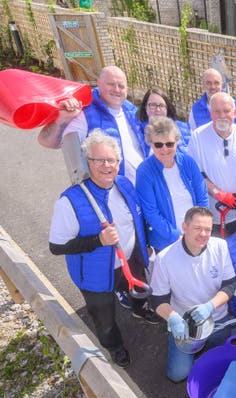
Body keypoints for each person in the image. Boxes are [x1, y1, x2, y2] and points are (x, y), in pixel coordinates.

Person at [48, 130, 158, 369]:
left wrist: (145, 246)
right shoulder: (70, 201)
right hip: (95, 275)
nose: (107, 165)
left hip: (130, 262)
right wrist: (97, 240)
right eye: (99, 160)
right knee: (104, 318)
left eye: (112, 160)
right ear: (88, 162)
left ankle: (140, 310)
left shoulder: (124, 185)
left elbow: (137, 220)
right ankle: (115, 347)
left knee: (138, 293)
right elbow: (56, 247)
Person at [150, 206, 236, 382]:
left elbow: (230, 285)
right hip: (185, 323)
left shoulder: (220, 246)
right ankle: (177, 340)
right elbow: (157, 300)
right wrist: (173, 318)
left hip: (216, 316)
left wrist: (209, 306)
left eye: (207, 229)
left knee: (218, 367)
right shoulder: (165, 258)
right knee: (177, 375)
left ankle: (208, 347)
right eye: (197, 228)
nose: (203, 234)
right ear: (184, 226)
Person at [37, 66, 147, 185]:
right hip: (111, 194)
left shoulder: (131, 111)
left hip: (142, 189)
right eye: (111, 84)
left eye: (121, 86)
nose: (117, 89)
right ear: (99, 84)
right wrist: (62, 120)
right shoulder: (86, 115)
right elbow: (47, 142)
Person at [188, 92, 236, 237]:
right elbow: (196, 174)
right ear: (210, 113)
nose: (222, 115)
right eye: (216, 111)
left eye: (226, 111)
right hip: (212, 217)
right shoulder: (197, 137)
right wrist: (219, 194)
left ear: (234, 113)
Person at [135, 116, 209, 252]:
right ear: (151, 144)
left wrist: (199, 229)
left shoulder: (188, 163)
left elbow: (202, 197)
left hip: (196, 237)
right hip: (166, 242)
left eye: (169, 144)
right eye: (158, 144)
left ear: (177, 142)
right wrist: (178, 236)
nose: (164, 149)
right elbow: (151, 212)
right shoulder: (144, 171)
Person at [137, 87, 192, 152]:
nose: (157, 109)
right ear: (145, 107)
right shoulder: (138, 133)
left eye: (162, 105)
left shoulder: (184, 130)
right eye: (153, 105)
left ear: (167, 109)